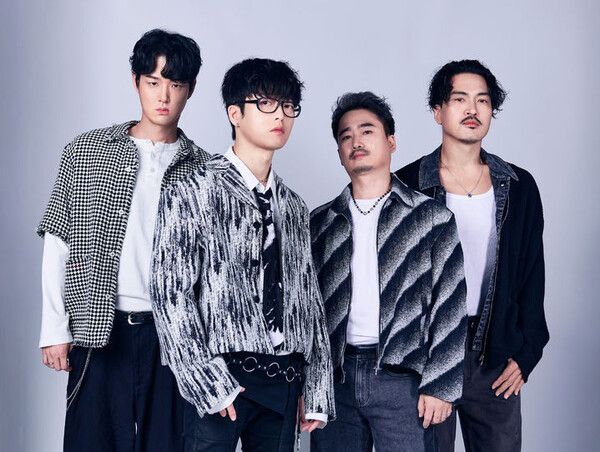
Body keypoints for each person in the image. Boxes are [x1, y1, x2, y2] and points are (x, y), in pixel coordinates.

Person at [150, 58, 335, 452]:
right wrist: (205, 380)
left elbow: (309, 301)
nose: (280, 115)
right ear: (235, 113)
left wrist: (317, 387)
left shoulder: (294, 206)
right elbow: (170, 292)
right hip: (222, 374)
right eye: (266, 103)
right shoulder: (193, 188)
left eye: (288, 106)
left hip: (284, 380)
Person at [37, 28, 208, 451]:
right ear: (136, 82)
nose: (163, 96)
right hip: (100, 329)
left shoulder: (205, 170)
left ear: (190, 90)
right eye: (153, 82)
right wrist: (54, 328)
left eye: (175, 84)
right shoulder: (87, 150)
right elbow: (58, 239)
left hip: (175, 338)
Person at [396, 59, 549, 451]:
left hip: (494, 353)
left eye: (483, 100)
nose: (472, 109)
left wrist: (526, 354)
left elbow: (532, 275)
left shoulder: (519, 186)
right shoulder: (408, 185)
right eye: (460, 98)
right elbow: (394, 283)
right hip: (427, 356)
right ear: (438, 111)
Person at [310, 91, 467, 452]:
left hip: (402, 378)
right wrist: (311, 385)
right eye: (346, 136)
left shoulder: (431, 218)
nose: (356, 142)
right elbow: (306, 311)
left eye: (367, 131)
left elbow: (451, 304)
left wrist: (440, 385)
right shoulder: (320, 223)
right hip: (336, 379)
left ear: (391, 142)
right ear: (339, 152)